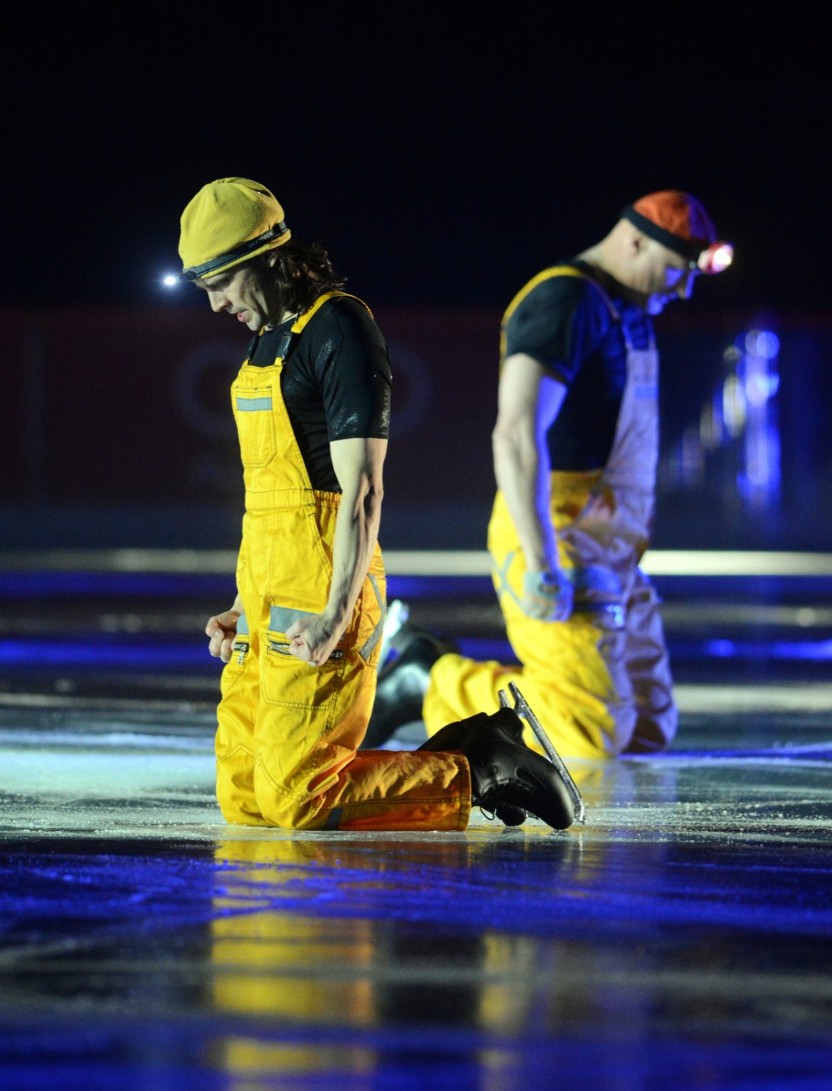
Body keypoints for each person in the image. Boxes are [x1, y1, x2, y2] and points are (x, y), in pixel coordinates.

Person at [176, 176, 578, 831]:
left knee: (298, 798)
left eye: (223, 282)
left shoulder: (338, 328)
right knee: (246, 795)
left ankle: (481, 764)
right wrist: (242, 606)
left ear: (272, 257)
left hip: (327, 577)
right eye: (205, 288)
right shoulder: (263, 342)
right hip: (267, 585)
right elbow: (270, 501)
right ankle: (471, 758)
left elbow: (361, 491)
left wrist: (338, 609)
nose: (217, 304)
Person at [366, 190, 733, 760]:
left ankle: (459, 679)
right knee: (589, 728)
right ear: (635, 240)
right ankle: (429, 679)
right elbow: (515, 431)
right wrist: (541, 561)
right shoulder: (566, 300)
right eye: (676, 270)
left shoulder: (627, 307)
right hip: (557, 531)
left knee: (646, 725)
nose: (684, 289)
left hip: (612, 543)